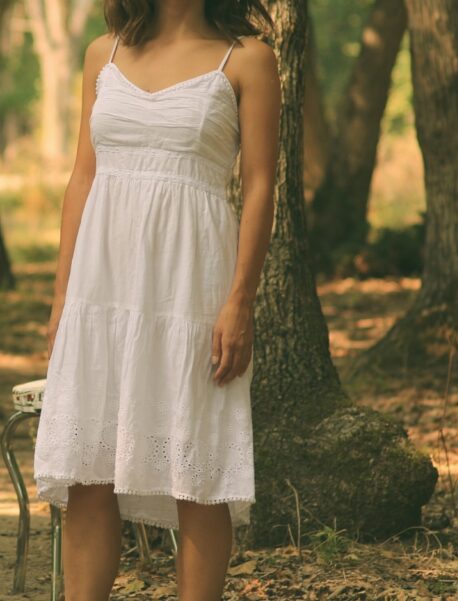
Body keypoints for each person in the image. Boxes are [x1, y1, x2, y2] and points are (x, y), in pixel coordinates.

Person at [31, 0, 280, 598]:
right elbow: (83, 177)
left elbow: (260, 183)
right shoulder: (103, 52)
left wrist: (240, 301)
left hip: (191, 289)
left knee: (196, 473)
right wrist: (63, 296)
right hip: (102, 289)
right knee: (89, 472)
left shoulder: (247, 59)